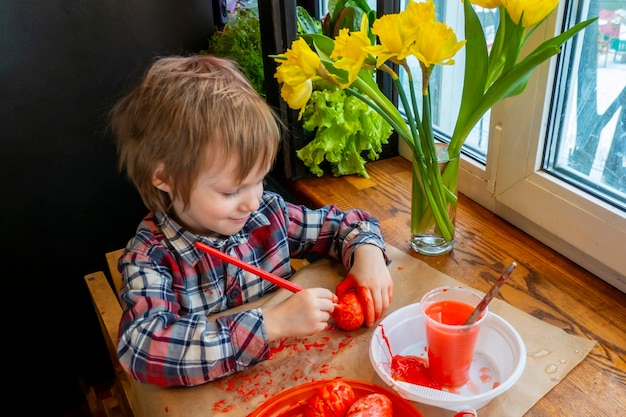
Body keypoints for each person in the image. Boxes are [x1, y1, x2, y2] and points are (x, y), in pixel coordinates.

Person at [109, 54, 393, 387]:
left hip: (294, 382)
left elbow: (344, 225)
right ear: (165, 178)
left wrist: (368, 255)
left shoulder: (266, 215)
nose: (253, 200)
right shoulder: (150, 258)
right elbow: (143, 348)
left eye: (259, 180)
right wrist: (271, 324)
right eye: (232, 190)